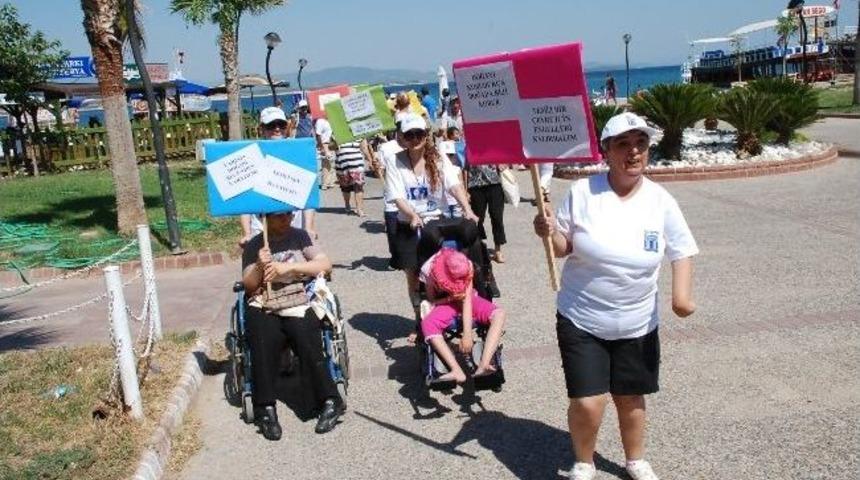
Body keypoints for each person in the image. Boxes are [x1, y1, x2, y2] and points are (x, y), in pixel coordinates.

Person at [533, 112, 698, 480]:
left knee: (630, 398)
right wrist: (547, 231)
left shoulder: (660, 200)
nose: (634, 151)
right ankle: (584, 461)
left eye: (640, 143)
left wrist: (681, 296)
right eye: (623, 144)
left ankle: (635, 460)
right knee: (588, 402)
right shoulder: (583, 193)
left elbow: (682, 249)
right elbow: (562, 247)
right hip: (582, 317)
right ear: (606, 151)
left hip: (638, 321)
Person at [241, 211, 345, 440]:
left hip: (298, 298)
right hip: (264, 302)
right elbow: (248, 285)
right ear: (264, 218)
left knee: (306, 336)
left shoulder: (300, 237)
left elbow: (325, 265)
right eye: (279, 216)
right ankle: (265, 407)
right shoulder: (256, 245)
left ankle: (329, 399)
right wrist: (260, 265)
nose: (286, 218)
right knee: (263, 338)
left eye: (289, 213)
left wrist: (288, 268)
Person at [384, 113, 479, 331]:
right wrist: (413, 215)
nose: (415, 139)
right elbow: (398, 197)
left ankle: (450, 312)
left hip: (438, 222)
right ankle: (420, 320)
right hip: (410, 223)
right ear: (402, 138)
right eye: (410, 135)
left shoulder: (437, 158)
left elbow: (454, 186)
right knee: (415, 276)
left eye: (419, 134)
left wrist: (467, 209)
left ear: (426, 135)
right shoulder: (395, 161)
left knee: (446, 268)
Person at [419, 248, 506, 383]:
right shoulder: (429, 269)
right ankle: (456, 370)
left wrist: (467, 335)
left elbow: (467, 301)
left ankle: (484, 364)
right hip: (445, 303)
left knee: (499, 313)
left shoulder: (465, 265)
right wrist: (450, 298)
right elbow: (431, 300)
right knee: (427, 323)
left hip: (468, 299)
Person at [240, 107, 316, 247]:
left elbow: (308, 193)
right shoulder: (251, 155)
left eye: (281, 124)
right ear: (262, 128)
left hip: (294, 222)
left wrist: (309, 227)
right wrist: (247, 232)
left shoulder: (298, 152)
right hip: (262, 225)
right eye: (271, 125)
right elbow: (245, 197)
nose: (277, 129)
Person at [464, 160, 508, 263]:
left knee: (497, 217)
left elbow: (507, 158)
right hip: (475, 185)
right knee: (477, 219)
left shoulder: (493, 145)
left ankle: (498, 250)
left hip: (495, 183)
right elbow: (465, 168)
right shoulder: (469, 146)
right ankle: (478, 248)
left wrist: (504, 163)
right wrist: (465, 190)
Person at [333, 138, 372, 216]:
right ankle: (347, 204)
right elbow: (330, 147)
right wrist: (335, 143)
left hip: (357, 163)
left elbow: (364, 148)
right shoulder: (336, 130)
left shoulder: (359, 131)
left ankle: (359, 209)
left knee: (359, 186)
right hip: (342, 163)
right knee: (345, 187)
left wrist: (370, 160)